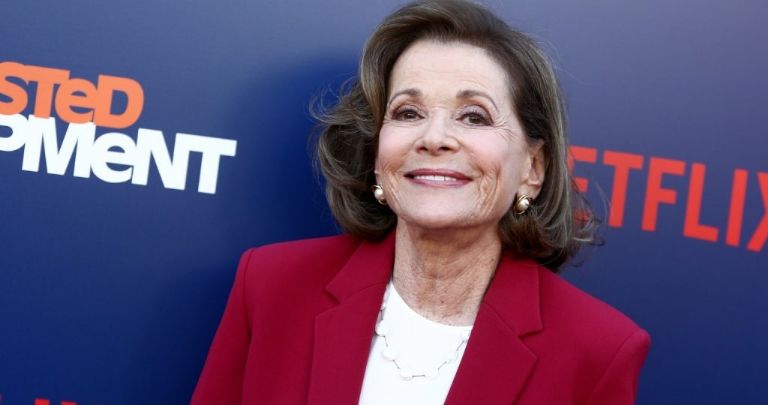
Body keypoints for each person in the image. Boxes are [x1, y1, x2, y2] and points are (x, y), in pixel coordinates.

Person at [191, 0, 650, 404]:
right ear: (378, 153)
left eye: (474, 117)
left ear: (532, 167)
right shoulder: (272, 287)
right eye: (408, 112)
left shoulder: (598, 351)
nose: (434, 138)